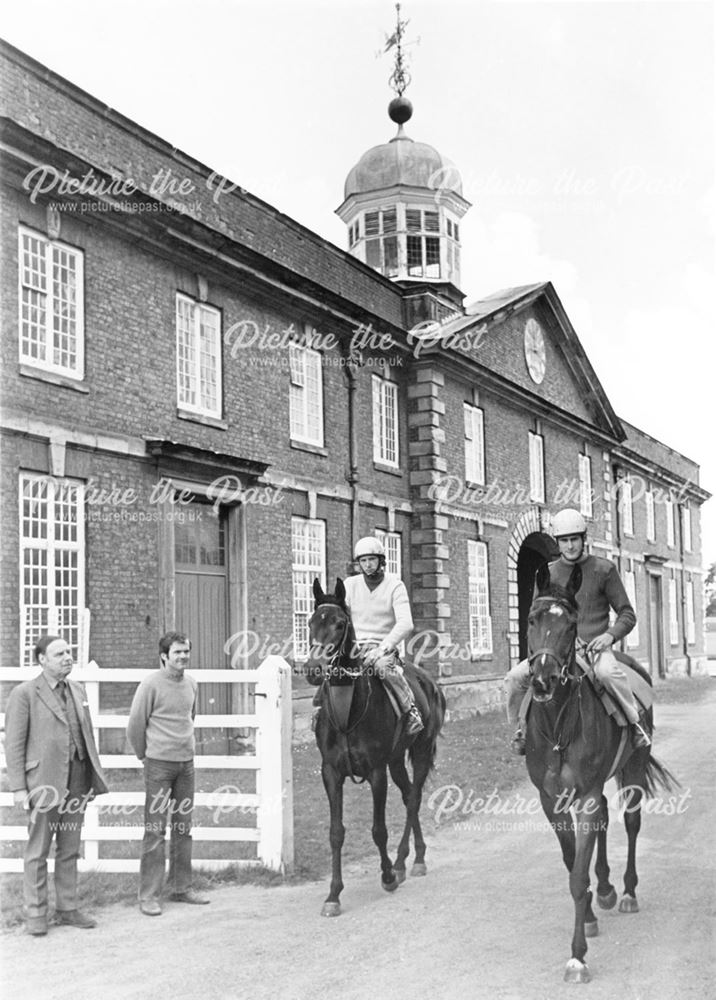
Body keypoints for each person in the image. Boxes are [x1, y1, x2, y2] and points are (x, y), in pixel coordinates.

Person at [505, 508, 651, 755]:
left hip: (595, 647)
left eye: (575, 539)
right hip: (557, 649)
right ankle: (521, 730)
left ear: (584, 539)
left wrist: (608, 636)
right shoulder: (547, 573)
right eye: (564, 540)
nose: (570, 546)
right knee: (513, 678)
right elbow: (536, 618)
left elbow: (627, 614)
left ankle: (634, 724)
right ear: (558, 543)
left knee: (606, 673)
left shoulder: (604, 570)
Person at [5, 635, 108, 936]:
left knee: (69, 847)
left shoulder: (76, 689)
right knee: (38, 850)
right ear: (41, 660)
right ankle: (36, 915)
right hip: (43, 782)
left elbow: (84, 735)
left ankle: (67, 908)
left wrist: (88, 776)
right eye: (59, 653)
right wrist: (19, 789)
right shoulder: (24, 694)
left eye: (68, 652)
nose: (67, 657)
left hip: (76, 779)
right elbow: (13, 744)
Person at [127, 631, 209, 916]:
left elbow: (190, 717)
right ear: (164, 656)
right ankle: (148, 895)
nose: (183, 657)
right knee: (155, 830)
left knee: (183, 828)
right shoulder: (150, 684)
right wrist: (145, 756)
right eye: (177, 653)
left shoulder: (192, 684)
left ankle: (181, 887)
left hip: (186, 766)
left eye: (186, 652)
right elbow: (135, 725)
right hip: (158, 767)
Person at [312, 536, 423, 735]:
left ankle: (410, 711)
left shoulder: (395, 586)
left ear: (381, 561)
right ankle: (321, 711)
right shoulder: (351, 584)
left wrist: (382, 649)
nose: (368, 565)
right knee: (331, 667)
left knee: (382, 668)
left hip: (384, 648)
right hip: (355, 647)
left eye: (372, 559)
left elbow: (406, 623)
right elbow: (340, 615)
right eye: (363, 561)